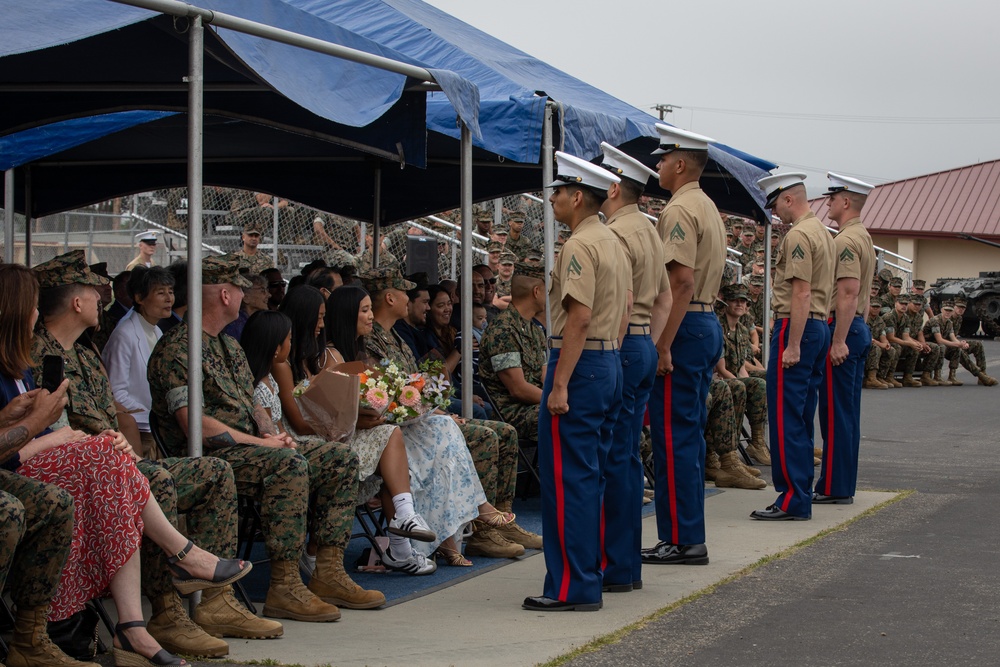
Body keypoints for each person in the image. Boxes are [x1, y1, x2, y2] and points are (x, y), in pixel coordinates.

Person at [1, 262, 251, 667]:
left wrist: (116, 446)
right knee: (137, 475)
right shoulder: (38, 353)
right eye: (29, 306)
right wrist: (46, 430)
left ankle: (151, 618)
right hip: (60, 465)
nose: (35, 314)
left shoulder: (63, 356)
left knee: (190, 470)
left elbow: (115, 415)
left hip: (93, 459)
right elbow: (51, 433)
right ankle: (166, 591)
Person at [147, 255, 375, 623]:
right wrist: (263, 444)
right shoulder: (179, 348)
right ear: (225, 294)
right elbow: (193, 425)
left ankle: (328, 572)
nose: (245, 294)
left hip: (251, 450)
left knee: (338, 458)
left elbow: (251, 406)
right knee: (287, 464)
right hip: (209, 458)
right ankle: (284, 586)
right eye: (240, 287)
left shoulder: (228, 346)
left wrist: (272, 433)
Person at [323, 287, 504, 567]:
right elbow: (346, 409)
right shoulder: (335, 354)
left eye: (371, 309)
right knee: (430, 436)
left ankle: (447, 532)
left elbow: (387, 396)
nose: (370, 316)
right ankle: (430, 533)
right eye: (364, 310)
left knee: (441, 427)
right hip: (362, 436)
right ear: (348, 315)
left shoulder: (360, 348)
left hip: (383, 429)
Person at [361, 267, 534, 559]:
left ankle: (500, 518)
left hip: (420, 419)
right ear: (390, 298)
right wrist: (434, 411)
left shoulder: (396, 338)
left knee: (505, 432)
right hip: (403, 427)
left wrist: (437, 409)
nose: (413, 300)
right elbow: (389, 397)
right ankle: (482, 531)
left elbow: (414, 386)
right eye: (406, 293)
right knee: (483, 437)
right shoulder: (372, 340)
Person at [522, 151, 628, 612]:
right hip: (605, 361)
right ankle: (589, 574)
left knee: (569, 482)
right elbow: (621, 311)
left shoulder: (581, 245)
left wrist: (560, 382)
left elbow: (579, 317)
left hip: (580, 366)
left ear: (578, 195)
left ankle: (573, 586)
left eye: (559, 192)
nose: (553, 200)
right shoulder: (611, 241)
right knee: (592, 476)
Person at [643, 125, 725, 563]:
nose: (657, 166)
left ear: (679, 164)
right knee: (686, 435)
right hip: (703, 320)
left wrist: (662, 344)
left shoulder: (679, 210)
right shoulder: (706, 205)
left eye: (661, 160)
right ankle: (684, 533)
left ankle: (681, 538)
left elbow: (680, 280)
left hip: (685, 325)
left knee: (673, 438)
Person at [597, 142, 670, 591]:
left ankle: (613, 564)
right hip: (642, 342)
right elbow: (662, 297)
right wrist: (651, 344)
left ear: (614, 186)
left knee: (610, 459)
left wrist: (616, 349)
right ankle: (623, 565)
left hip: (620, 345)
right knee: (623, 457)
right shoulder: (647, 229)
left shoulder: (619, 232)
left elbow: (621, 301)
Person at [751, 173, 835, 521]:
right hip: (817, 324)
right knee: (800, 415)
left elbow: (800, 292)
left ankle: (792, 498)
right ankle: (800, 492)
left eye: (776, 206)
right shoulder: (822, 232)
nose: (777, 215)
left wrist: (793, 344)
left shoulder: (800, 234)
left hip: (796, 326)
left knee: (787, 418)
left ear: (788, 199)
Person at [815, 173, 876, 505]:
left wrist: (839, 339)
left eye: (833, 197)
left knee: (836, 414)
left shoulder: (846, 241)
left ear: (846, 201)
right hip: (855, 327)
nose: (828, 203)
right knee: (846, 412)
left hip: (844, 328)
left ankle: (835, 487)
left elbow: (849, 293)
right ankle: (839, 483)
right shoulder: (863, 237)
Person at [103, 266, 175, 456]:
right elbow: (115, 392)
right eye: (161, 293)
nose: (169, 298)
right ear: (139, 298)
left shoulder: (156, 330)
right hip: (139, 432)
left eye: (171, 292)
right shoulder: (124, 334)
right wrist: (151, 414)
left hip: (154, 427)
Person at [479, 262, 547, 442]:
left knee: (584, 409)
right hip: (514, 412)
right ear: (536, 291)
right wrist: (555, 400)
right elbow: (518, 389)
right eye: (547, 290)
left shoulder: (534, 330)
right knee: (571, 415)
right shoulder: (503, 330)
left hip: (537, 404)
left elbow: (546, 376)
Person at [716, 283, 770, 484]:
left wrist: (748, 381)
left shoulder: (741, 330)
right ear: (726, 303)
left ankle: (758, 441)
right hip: (720, 379)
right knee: (741, 387)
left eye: (743, 301)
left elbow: (741, 368)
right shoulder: (718, 326)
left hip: (732, 377)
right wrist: (744, 383)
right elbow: (722, 370)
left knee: (761, 382)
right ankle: (727, 455)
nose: (740, 304)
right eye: (735, 300)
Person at [951, 296, 997, 385]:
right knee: (960, 351)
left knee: (977, 344)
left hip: (954, 342)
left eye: (963, 308)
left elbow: (954, 335)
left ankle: (983, 373)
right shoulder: (948, 318)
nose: (961, 310)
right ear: (954, 307)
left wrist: (961, 343)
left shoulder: (959, 319)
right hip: (946, 345)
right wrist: (959, 344)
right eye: (959, 307)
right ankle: (980, 375)